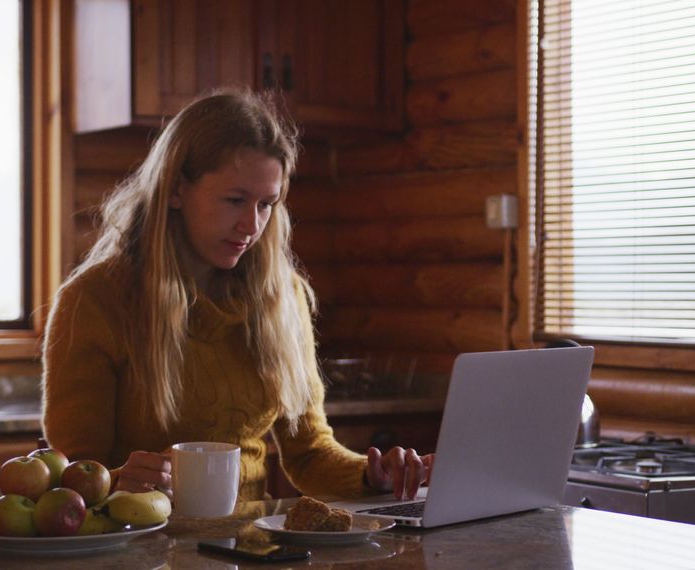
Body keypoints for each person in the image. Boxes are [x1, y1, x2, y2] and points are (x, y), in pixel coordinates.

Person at [41, 88, 433, 503]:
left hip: (250, 548)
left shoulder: (282, 297)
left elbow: (311, 455)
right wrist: (119, 482)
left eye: (267, 204)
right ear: (175, 190)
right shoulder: (95, 301)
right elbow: (74, 480)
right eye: (235, 200)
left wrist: (374, 475)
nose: (252, 224)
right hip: (139, 546)